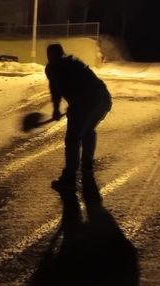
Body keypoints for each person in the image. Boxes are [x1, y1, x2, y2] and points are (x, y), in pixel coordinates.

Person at [45, 43, 112, 192]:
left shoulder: (53, 68)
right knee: (88, 130)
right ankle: (87, 166)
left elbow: (57, 90)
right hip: (103, 99)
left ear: (51, 55)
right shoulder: (73, 62)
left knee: (72, 139)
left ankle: (69, 179)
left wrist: (62, 108)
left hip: (90, 101)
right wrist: (68, 107)